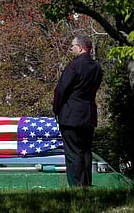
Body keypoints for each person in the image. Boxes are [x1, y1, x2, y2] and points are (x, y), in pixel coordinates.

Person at [52, 35, 103, 187]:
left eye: (72, 46)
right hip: (89, 114)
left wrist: (56, 108)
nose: (71, 49)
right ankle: (86, 184)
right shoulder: (97, 68)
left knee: (73, 152)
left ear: (80, 48)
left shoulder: (74, 66)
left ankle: (76, 185)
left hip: (71, 115)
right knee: (86, 151)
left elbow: (61, 90)